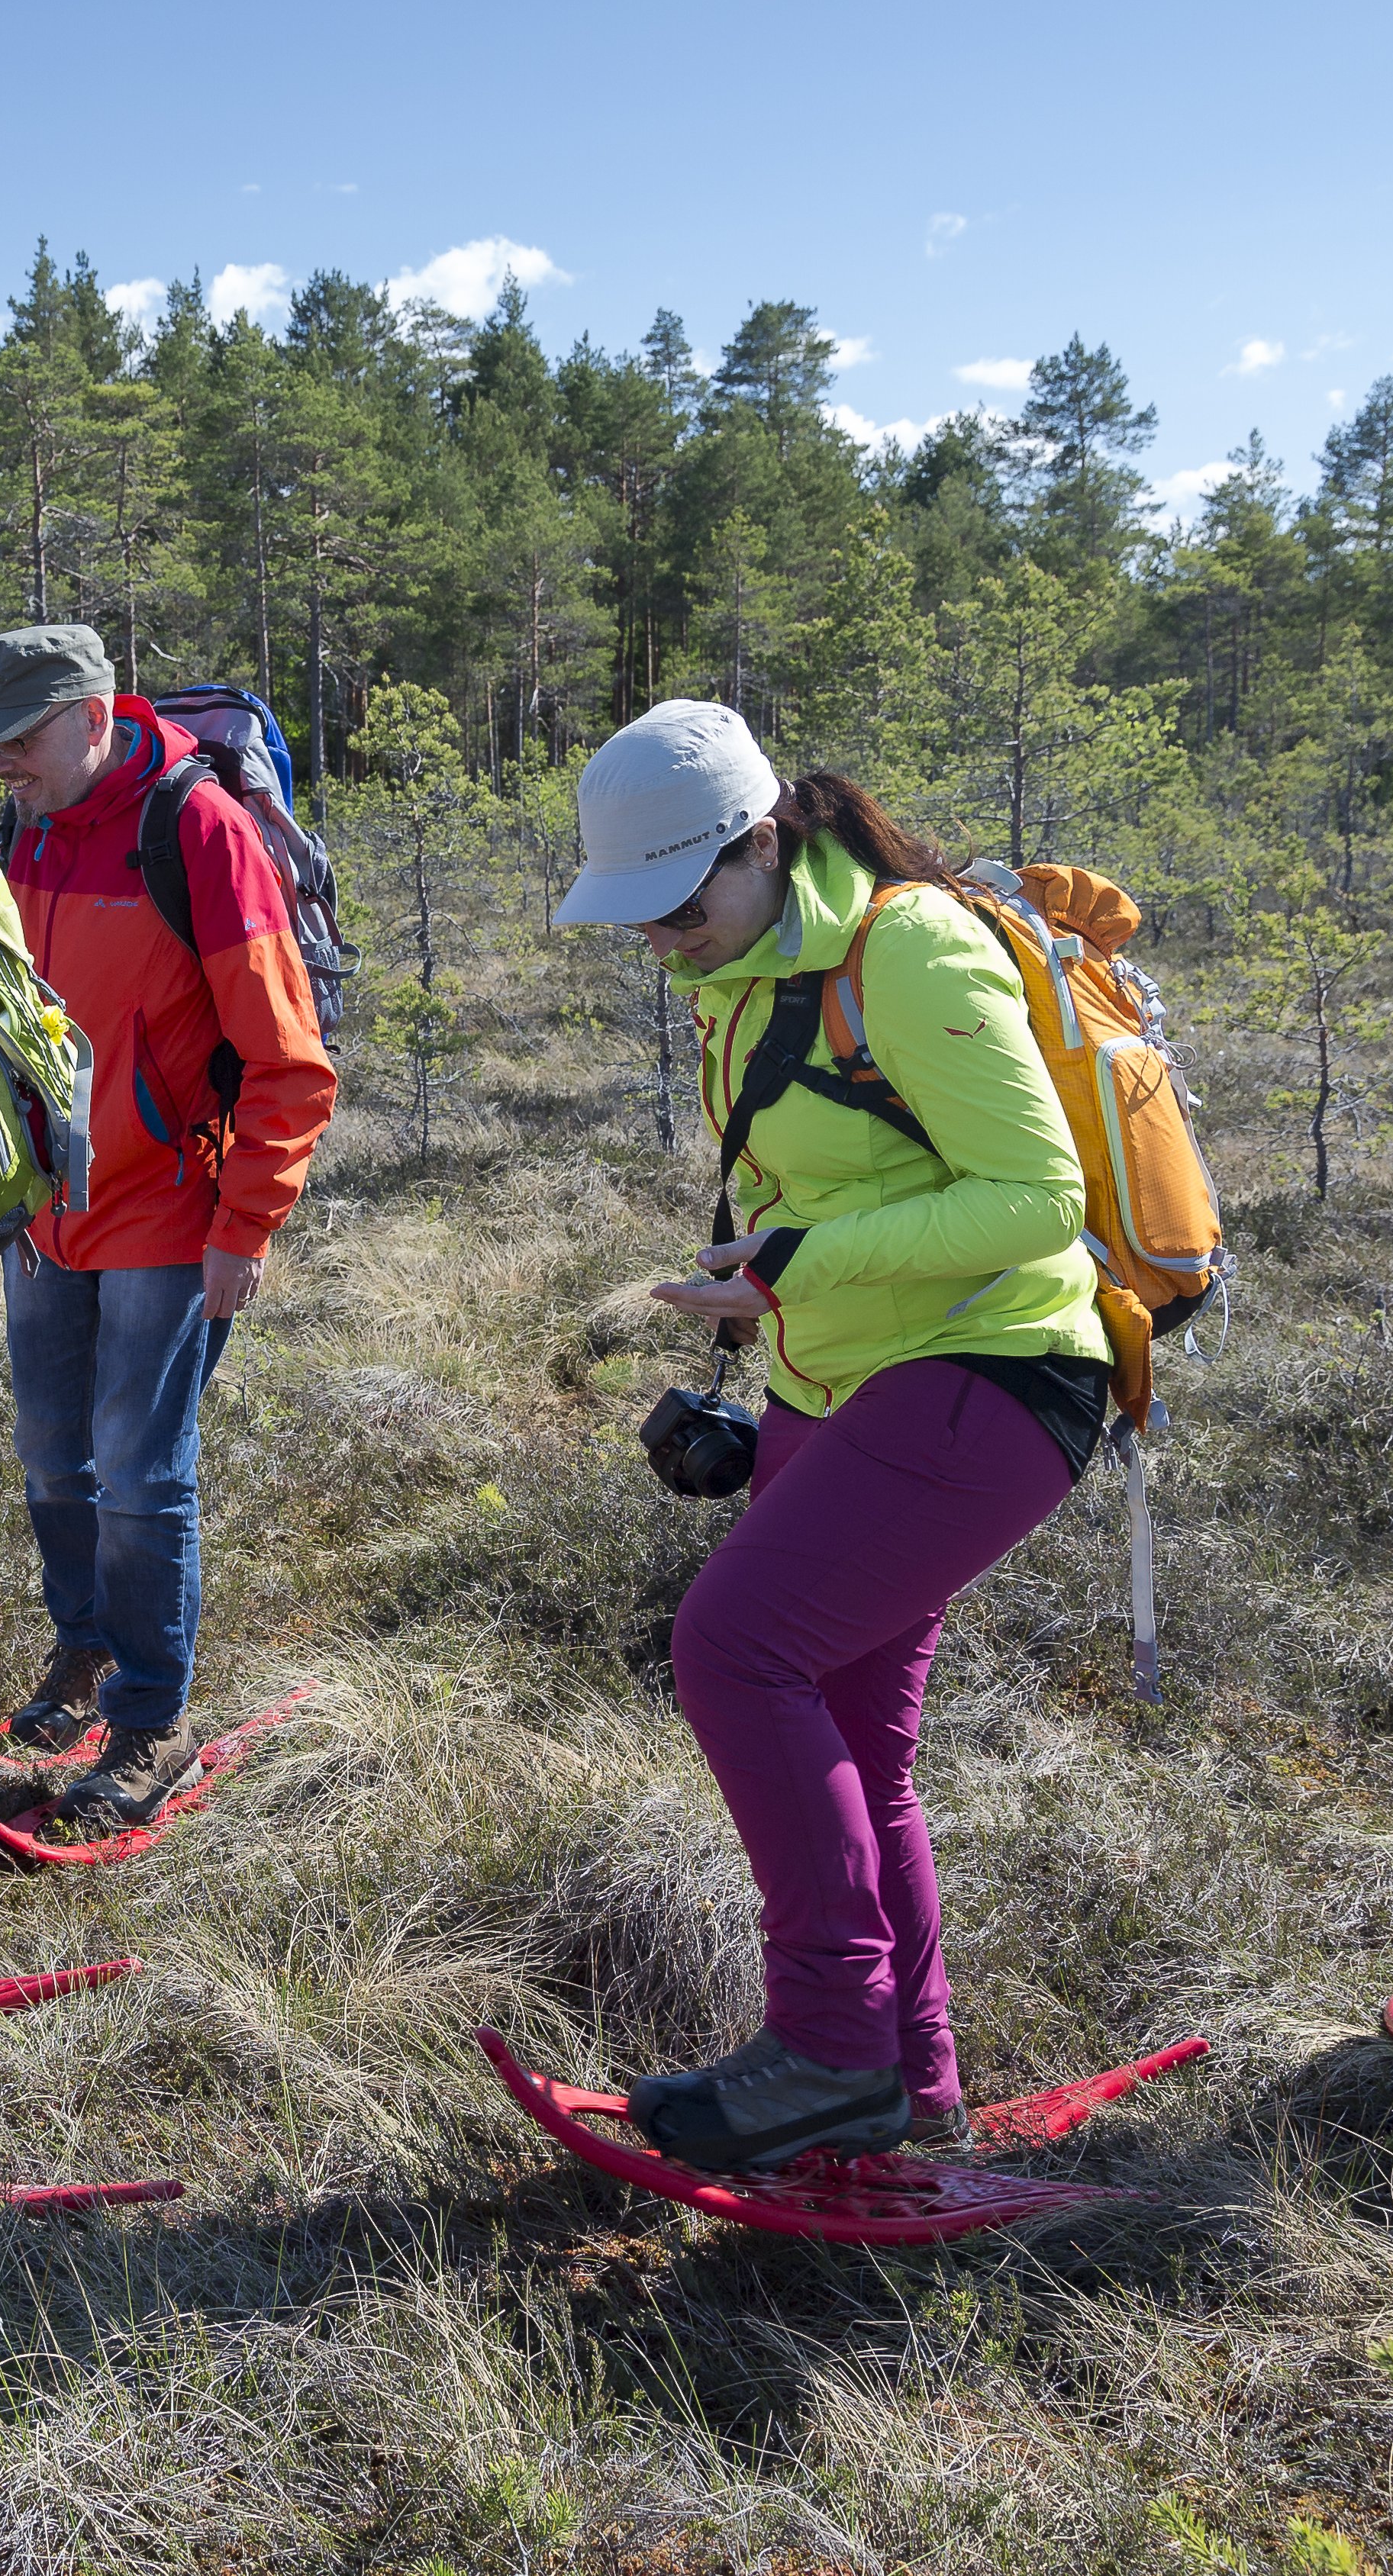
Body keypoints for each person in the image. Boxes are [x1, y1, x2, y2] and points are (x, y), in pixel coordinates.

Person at [556, 701, 1111, 2173]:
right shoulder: (744, 964)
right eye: (641, 921)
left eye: (680, 906)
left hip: (991, 1370)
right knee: (859, 1747)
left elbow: (1036, 1199)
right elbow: (837, 1177)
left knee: (734, 1650)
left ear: (759, 841)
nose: (664, 939)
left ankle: (829, 2049)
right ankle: (911, 2080)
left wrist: (799, 1258)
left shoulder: (908, 948)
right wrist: (760, 1288)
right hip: (836, 1379)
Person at [0, 626, 336, 1824]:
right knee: (52, 1456)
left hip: (173, 1207)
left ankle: (150, 1718)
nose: (0, 762)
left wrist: (248, 1222)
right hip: (46, 1211)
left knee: (136, 1472)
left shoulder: (196, 830)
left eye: (19, 738)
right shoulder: (29, 827)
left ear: (90, 713)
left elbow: (287, 1058)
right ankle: (83, 1653)